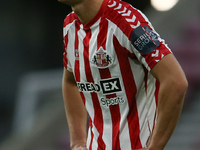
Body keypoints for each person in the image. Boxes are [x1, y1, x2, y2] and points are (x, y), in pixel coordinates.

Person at [59, 0, 188, 149]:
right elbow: (70, 81)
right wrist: (77, 142)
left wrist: (155, 147)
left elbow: (175, 81)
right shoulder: (70, 26)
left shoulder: (126, 20)